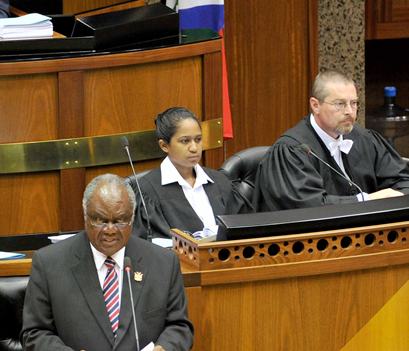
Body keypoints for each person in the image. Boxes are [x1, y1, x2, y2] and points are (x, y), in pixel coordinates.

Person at [21, 174, 193, 351]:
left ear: (133, 218)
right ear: (85, 216)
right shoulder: (50, 264)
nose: (110, 230)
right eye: (100, 220)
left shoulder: (163, 263)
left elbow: (180, 326)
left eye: (120, 220)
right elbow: (34, 334)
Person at [254, 70, 409, 211]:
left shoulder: (366, 140)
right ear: (315, 105)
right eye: (340, 104)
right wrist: (366, 200)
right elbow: (308, 208)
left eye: (353, 103)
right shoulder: (292, 151)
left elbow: (403, 181)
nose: (349, 111)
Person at [132, 107, 253, 239]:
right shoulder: (146, 192)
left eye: (198, 139)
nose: (194, 148)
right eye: (185, 141)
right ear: (164, 146)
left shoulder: (220, 182)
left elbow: (245, 230)